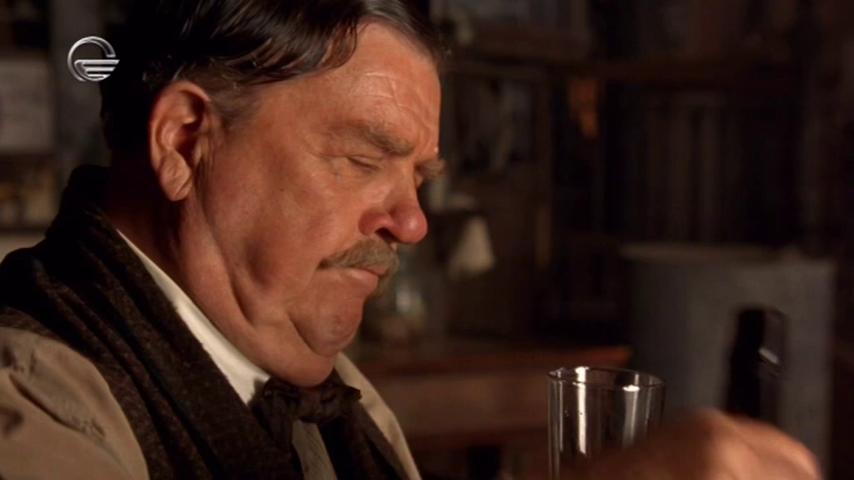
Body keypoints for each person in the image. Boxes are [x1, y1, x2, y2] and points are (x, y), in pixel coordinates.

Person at [0, 1, 822, 479]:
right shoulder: (32, 401)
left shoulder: (335, 399)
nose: (413, 222)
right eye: (364, 161)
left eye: (420, 177)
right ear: (186, 141)